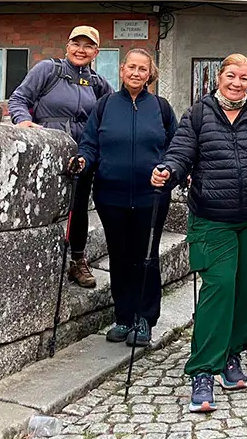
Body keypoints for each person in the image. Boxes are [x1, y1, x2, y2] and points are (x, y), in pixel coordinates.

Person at [151, 53, 247, 414]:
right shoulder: (199, 114)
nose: (238, 82)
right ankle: (202, 370)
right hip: (213, 218)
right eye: (232, 75)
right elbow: (180, 153)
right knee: (220, 288)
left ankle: (232, 354)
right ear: (219, 77)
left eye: (244, 77)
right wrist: (168, 170)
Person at [71, 49, 177, 347]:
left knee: (146, 257)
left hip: (151, 196)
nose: (136, 73)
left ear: (149, 74)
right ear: (121, 70)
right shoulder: (105, 106)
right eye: (131, 67)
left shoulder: (161, 108)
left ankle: (144, 319)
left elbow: (176, 148)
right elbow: (90, 144)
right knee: (119, 257)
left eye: (142, 69)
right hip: (111, 195)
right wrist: (82, 160)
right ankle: (123, 316)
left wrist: (169, 170)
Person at [9, 26, 112, 289]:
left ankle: (77, 259)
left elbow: (113, 113)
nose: (81, 50)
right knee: (43, 206)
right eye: (76, 44)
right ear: (67, 46)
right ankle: (32, 261)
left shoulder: (98, 83)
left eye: (88, 46)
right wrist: (23, 121)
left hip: (83, 154)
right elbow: (19, 98)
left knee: (78, 207)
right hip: (50, 149)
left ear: (96, 52)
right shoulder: (48, 70)